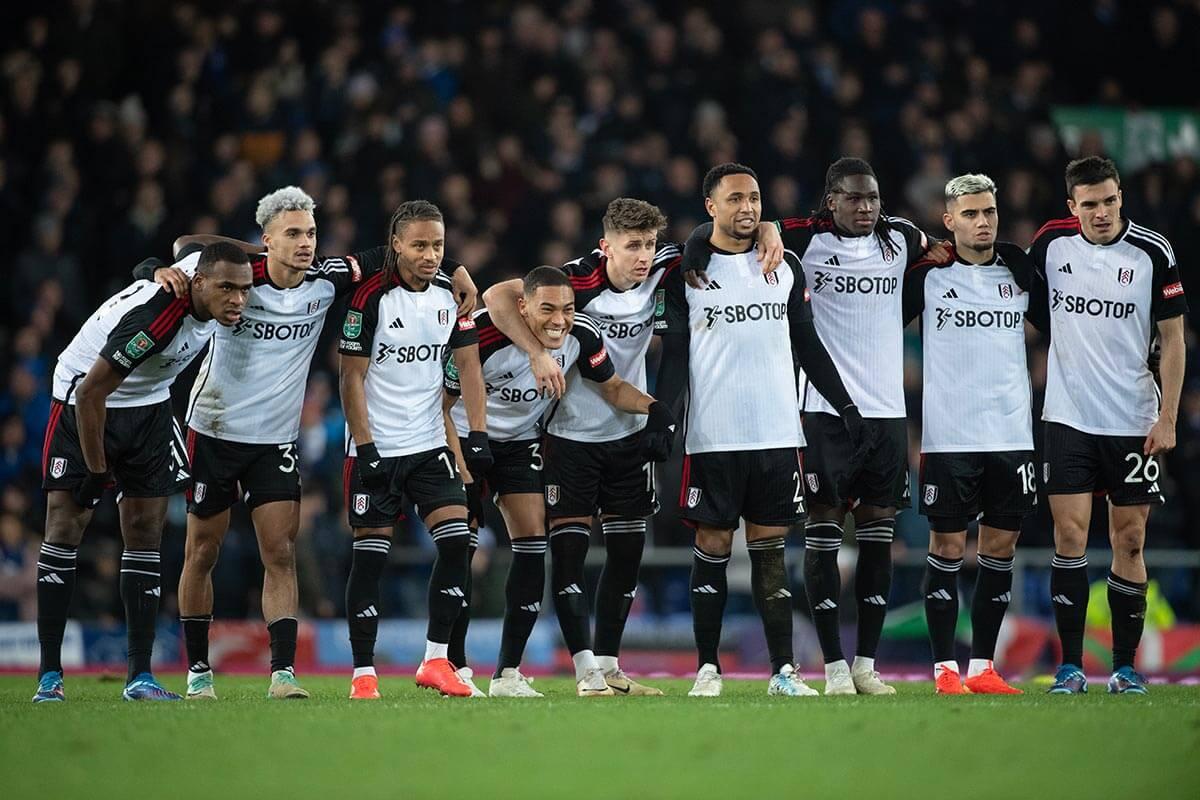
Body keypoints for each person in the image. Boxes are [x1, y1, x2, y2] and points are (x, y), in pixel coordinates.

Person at [141, 187, 477, 700]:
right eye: (293, 233)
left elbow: (405, 251)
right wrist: (154, 270)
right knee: (202, 550)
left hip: (276, 438)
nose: (305, 243)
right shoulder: (235, 278)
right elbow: (185, 245)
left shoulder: (327, 279)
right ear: (266, 240)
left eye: (311, 233)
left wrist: (455, 269)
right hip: (213, 430)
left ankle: (282, 674)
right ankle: (199, 672)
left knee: (281, 550)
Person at [481, 197, 781, 695]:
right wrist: (537, 355)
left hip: (628, 438)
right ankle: (579, 674)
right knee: (570, 559)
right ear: (606, 247)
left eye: (649, 244)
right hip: (569, 437)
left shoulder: (664, 267)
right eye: (631, 246)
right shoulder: (574, 281)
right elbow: (497, 296)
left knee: (625, 561)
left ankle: (608, 665)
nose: (643, 255)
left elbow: (726, 231)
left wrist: (768, 228)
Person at [682, 157, 948, 695]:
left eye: (872, 197)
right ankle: (830, 667)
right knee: (820, 539)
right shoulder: (800, 240)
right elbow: (746, 227)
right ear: (831, 200)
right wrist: (724, 236)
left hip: (887, 415)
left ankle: (865, 665)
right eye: (853, 197)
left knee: (879, 538)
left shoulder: (899, 238)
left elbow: (941, 246)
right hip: (817, 414)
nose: (865, 207)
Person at [656, 163, 863, 697]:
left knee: (772, 557)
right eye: (734, 199)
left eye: (754, 197)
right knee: (713, 549)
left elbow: (808, 345)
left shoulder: (784, 262)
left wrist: (845, 405)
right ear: (711, 207)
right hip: (714, 437)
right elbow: (676, 354)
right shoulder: (688, 271)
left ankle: (784, 672)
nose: (747, 207)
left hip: (776, 434)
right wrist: (666, 418)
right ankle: (707, 668)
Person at [33, 243, 251, 702]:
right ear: (199, 284)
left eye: (245, 289)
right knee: (65, 525)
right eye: (227, 288)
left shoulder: (203, 270)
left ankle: (140, 676)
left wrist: (156, 265)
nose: (238, 300)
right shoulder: (157, 321)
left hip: (150, 403)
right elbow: (92, 392)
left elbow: (188, 244)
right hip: (84, 400)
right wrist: (95, 474)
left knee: (146, 529)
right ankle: (49, 675)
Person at [446, 266, 675, 697]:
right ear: (523, 307)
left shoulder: (581, 337)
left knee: (533, 546)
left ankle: (506, 674)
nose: (559, 320)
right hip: (462, 437)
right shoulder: (479, 336)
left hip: (519, 445)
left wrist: (655, 408)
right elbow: (439, 404)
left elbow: (612, 387)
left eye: (567, 309)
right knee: (460, 547)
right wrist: (461, 460)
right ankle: (454, 667)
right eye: (547, 309)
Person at [1028, 157, 1187, 695]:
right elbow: (1015, 289)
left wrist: (1167, 419)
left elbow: (1174, 341)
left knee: (1131, 539)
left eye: (1109, 200)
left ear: (1122, 197)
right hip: (1068, 416)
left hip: (1132, 418)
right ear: (1072, 206)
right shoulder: (1050, 245)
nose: (1101, 212)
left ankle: (1124, 667)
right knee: (1069, 536)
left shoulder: (1152, 252)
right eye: (1089, 203)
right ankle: (1070, 666)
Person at [338, 200, 490, 700]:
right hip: (377, 444)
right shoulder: (370, 297)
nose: (431, 255)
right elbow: (350, 377)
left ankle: (436, 660)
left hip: (428, 444)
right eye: (420, 245)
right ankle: (364, 672)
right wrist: (366, 448)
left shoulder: (451, 293)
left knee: (455, 542)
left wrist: (479, 435)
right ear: (396, 244)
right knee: (371, 558)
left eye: (439, 246)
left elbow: (468, 367)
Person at [903, 174, 1035, 695]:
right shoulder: (928, 276)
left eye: (990, 213)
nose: (983, 222)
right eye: (972, 214)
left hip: (1010, 433)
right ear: (949, 220)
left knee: (1000, 549)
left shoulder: (1020, 272)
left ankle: (982, 667)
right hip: (949, 435)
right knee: (948, 547)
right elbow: (876, 324)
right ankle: (944, 671)